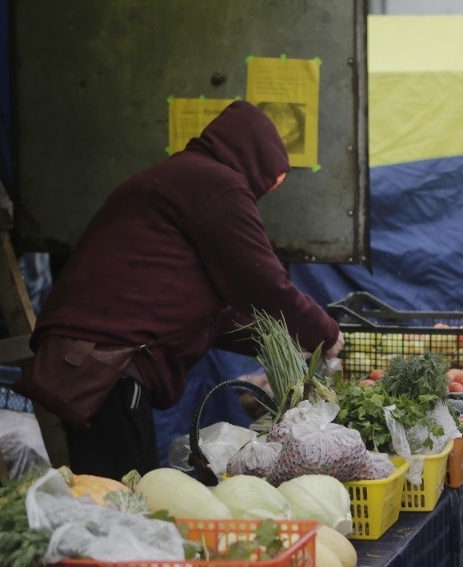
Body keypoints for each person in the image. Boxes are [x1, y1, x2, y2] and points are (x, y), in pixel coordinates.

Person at [19, 100, 345, 479]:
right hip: (107, 367)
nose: (263, 193)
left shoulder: (181, 177)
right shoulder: (215, 184)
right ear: (252, 157)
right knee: (119, 498)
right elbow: (264, 283)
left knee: (113, 492)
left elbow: (211, 319)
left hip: (88, 361)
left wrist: (281, 342)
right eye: (268, 181)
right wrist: (325, 333)